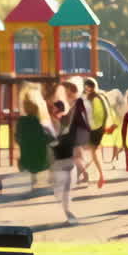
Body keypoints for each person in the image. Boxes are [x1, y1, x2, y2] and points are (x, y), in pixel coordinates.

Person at [12, 86, 54, 194]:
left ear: (25, 109)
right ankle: (50, 177)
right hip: (39, 156)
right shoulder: (38, 122)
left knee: (26, 163)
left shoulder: (21, 122)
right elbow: (46, 137)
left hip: (26, 156)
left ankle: (31, 180)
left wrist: (19, 142)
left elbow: (17, 136)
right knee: (52, 153)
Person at [48, 94, 80, 225]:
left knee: (62, 190)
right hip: (63, 159)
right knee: (62, 190)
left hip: (64, 159)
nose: (53, 112)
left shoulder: (62, 121)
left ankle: (69, 213)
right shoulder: (58, 122)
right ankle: (69, 212)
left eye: (55, 110)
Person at [62, 77, 93, 188]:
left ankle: (84, 173)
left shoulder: (77, 102)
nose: (66, 91)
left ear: (73, 89)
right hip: (81, 132)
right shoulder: (81, 100)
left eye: (68, 89)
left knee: (75, 156)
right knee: (79, 155)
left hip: (76, 132)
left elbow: (71, 119)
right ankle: (82, 175)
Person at [82, 77, 111, 189]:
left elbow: (106, 111)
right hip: (92, 127)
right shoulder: (89, 97)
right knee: (93, 150)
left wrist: (105, 126)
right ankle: (95, 173)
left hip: (97, 128)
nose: (88, 87)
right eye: (87, 85)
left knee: (93, 151)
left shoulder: (99, 96)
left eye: (89, 85)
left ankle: (100, 174)